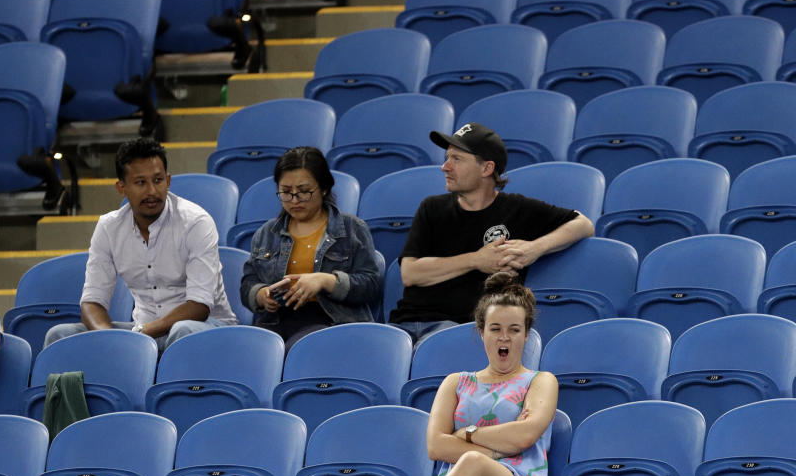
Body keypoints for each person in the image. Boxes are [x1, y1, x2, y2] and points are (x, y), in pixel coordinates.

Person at [389, 122, 595, 345]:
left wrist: (535, 248)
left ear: (486, 168)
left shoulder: (517, 209)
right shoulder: (432, 207)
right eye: (447, 157)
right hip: (404, 325)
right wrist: (477, 260)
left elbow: (583, 224)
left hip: (460, 330)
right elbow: (410, 273)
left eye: (456, 159)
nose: (445, 167)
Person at [44, 137, 237, 351]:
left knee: (182, 331)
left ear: (169, 181)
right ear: (121, 187)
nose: (152, 191)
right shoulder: (109, 227)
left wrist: (141, 334)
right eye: (140, 183)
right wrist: (108, 338)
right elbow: (92, 301)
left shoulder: (196, 222)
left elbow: (199, 307)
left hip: (205, 326)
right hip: (143, 331)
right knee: (60, 335)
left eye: (158, 180)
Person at [428, 272, 558, 476]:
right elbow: (436, 446)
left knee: (473, 461)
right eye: (495, 329)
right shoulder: (455, 382)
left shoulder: (541, 381)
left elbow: (523, 436)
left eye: (514, 329)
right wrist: (500, 446)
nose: (504, 337)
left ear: (526, 335)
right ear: (482, 332)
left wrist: (467, 432)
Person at [240, 147, 381, 348]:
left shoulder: (351, 228)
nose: (295, 200)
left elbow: (371, 285)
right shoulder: (267, 232)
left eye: (304, 192)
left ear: (323, 188)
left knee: (298, 347)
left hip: (332, 321)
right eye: (286, 193)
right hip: (275, 322)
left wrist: (326, 281)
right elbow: (248, 283)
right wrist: (260, 295)